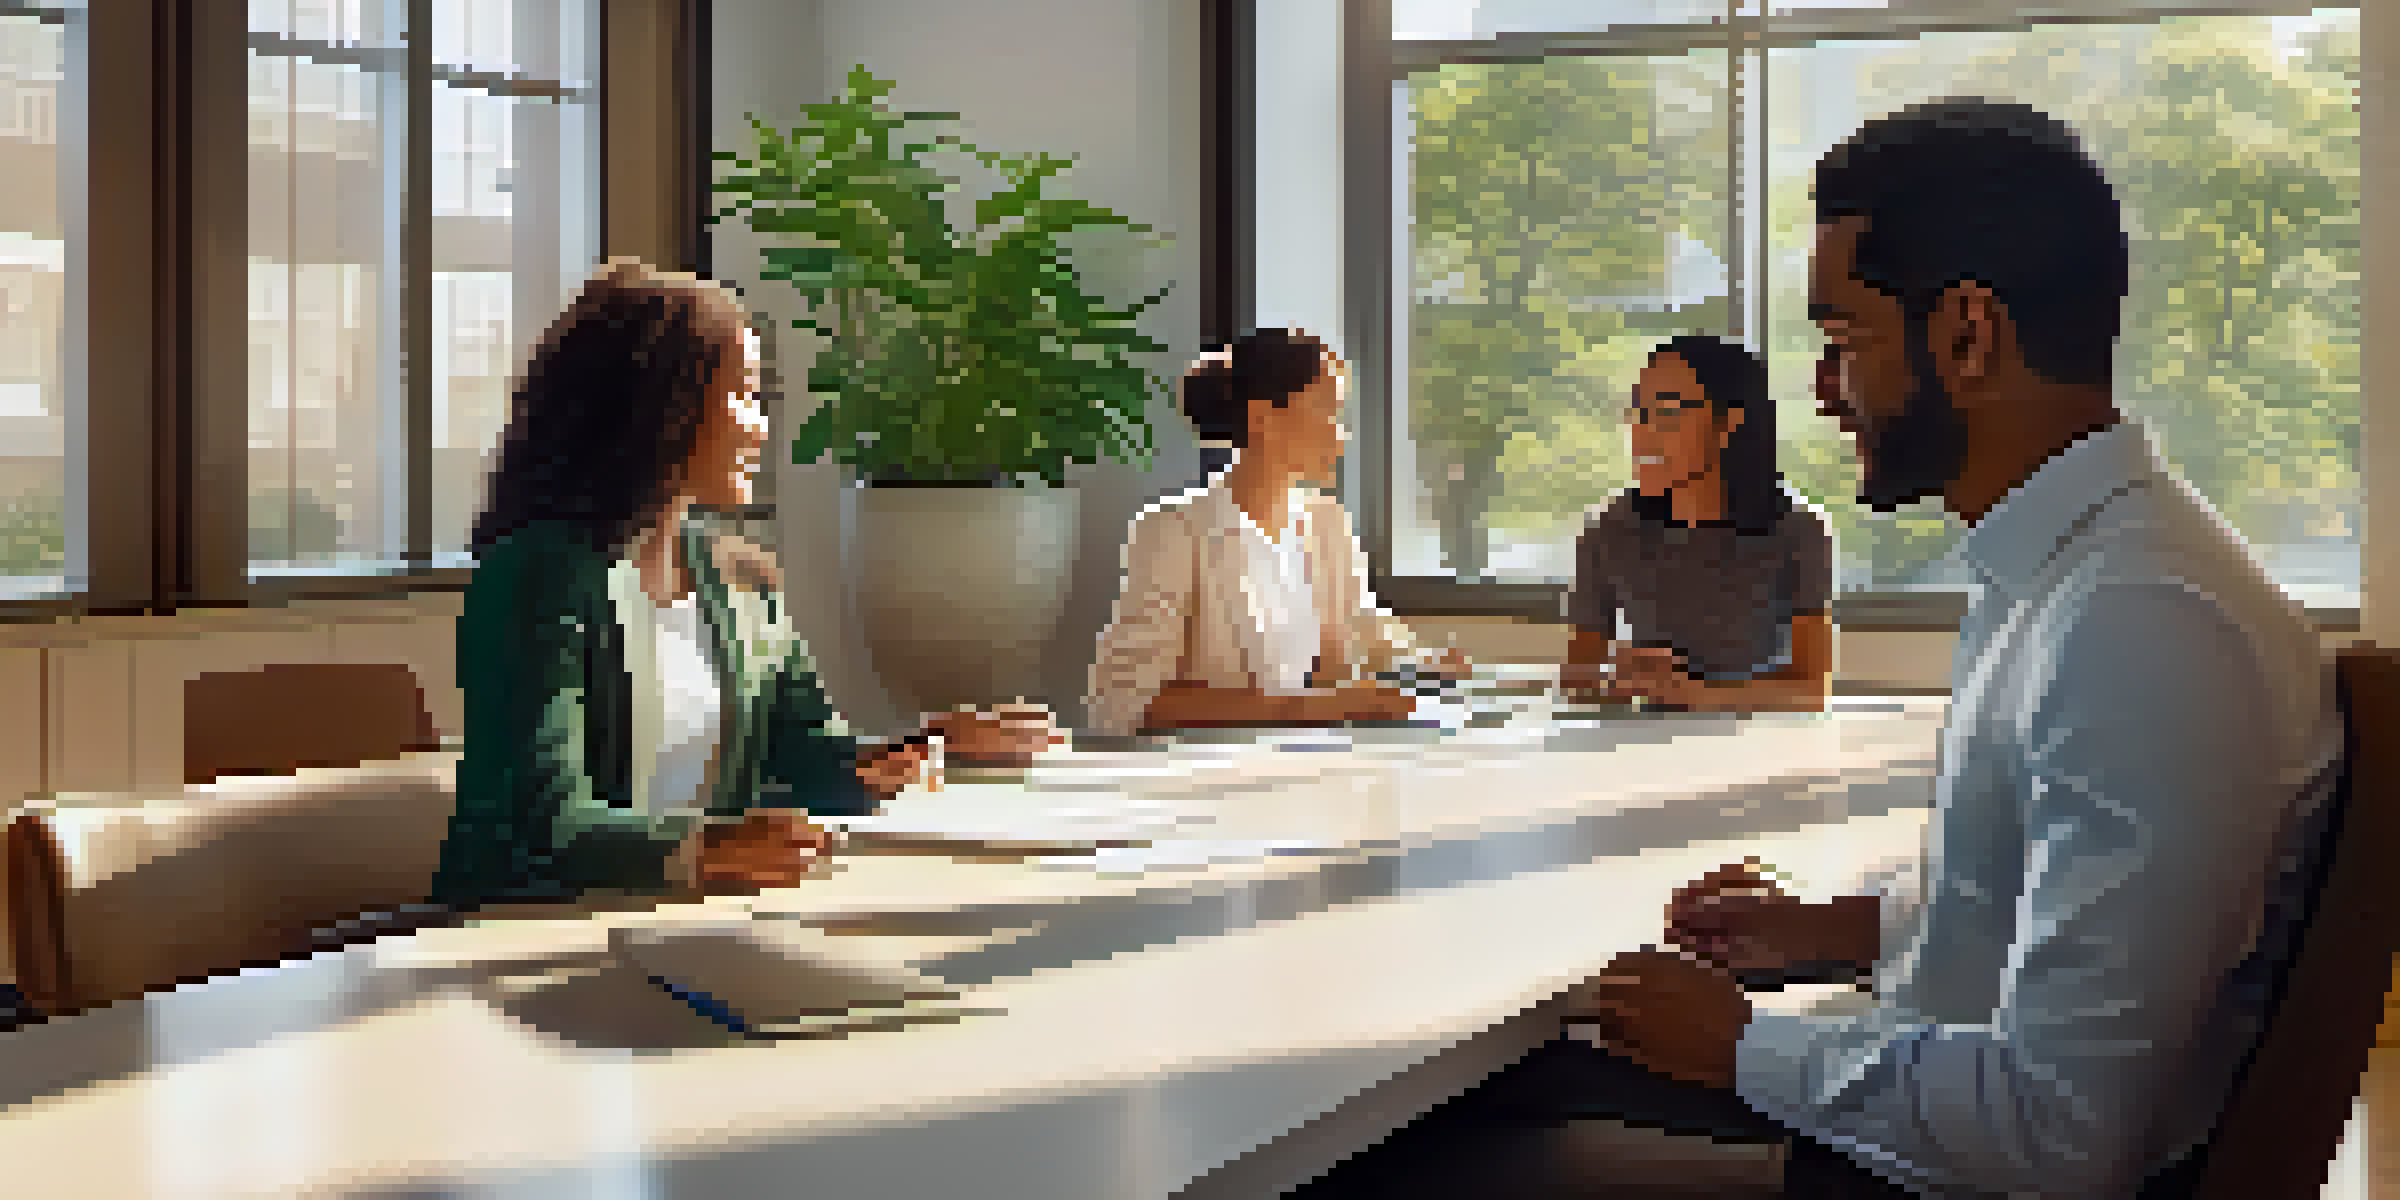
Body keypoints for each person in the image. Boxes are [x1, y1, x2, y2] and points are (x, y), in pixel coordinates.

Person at [1290, 99, 2339, 1198]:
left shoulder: (2141, 621)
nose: (1827, 393)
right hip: (1945, 1113)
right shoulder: (2069, 567)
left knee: (1388, 1160)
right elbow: (2025, 902)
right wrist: (1831, 928)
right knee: (1509, 1079)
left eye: (1844, 342)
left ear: (1968, 335)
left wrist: (1742, 1047)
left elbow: (2061, 1132)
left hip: (1947, 1182)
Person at [431, 259, 1059, 909]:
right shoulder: (538, 576)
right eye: (746, 395)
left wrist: (934, 744)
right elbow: (541, 820)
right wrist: (702, 847)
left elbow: (816, 762)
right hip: (515, 932)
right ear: (661, 403)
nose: (760, 428)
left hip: (684, 927)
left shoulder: (743, 583)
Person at [1085, 328, 1466, 736]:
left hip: (1314, 766)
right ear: (1263, 418)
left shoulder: (1326, 525)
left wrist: (1433, 666)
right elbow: (1122, 702)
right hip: (1214, 782)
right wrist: (1301, 707)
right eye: (1330, 414)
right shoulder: (1174, 532)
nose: (1341, 437)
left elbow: (1364, 627)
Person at [1564, 335, 1834, 713]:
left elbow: (1811, 689)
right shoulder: (1609, 529)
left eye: (1668, 413)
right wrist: (1618, 679)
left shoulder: (1796, 530)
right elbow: (1577, 682)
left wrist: (1695, 694)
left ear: (1728, 424)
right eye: (1638, 412)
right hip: (1642, 748)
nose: (1643, 434)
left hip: (1762, 745)